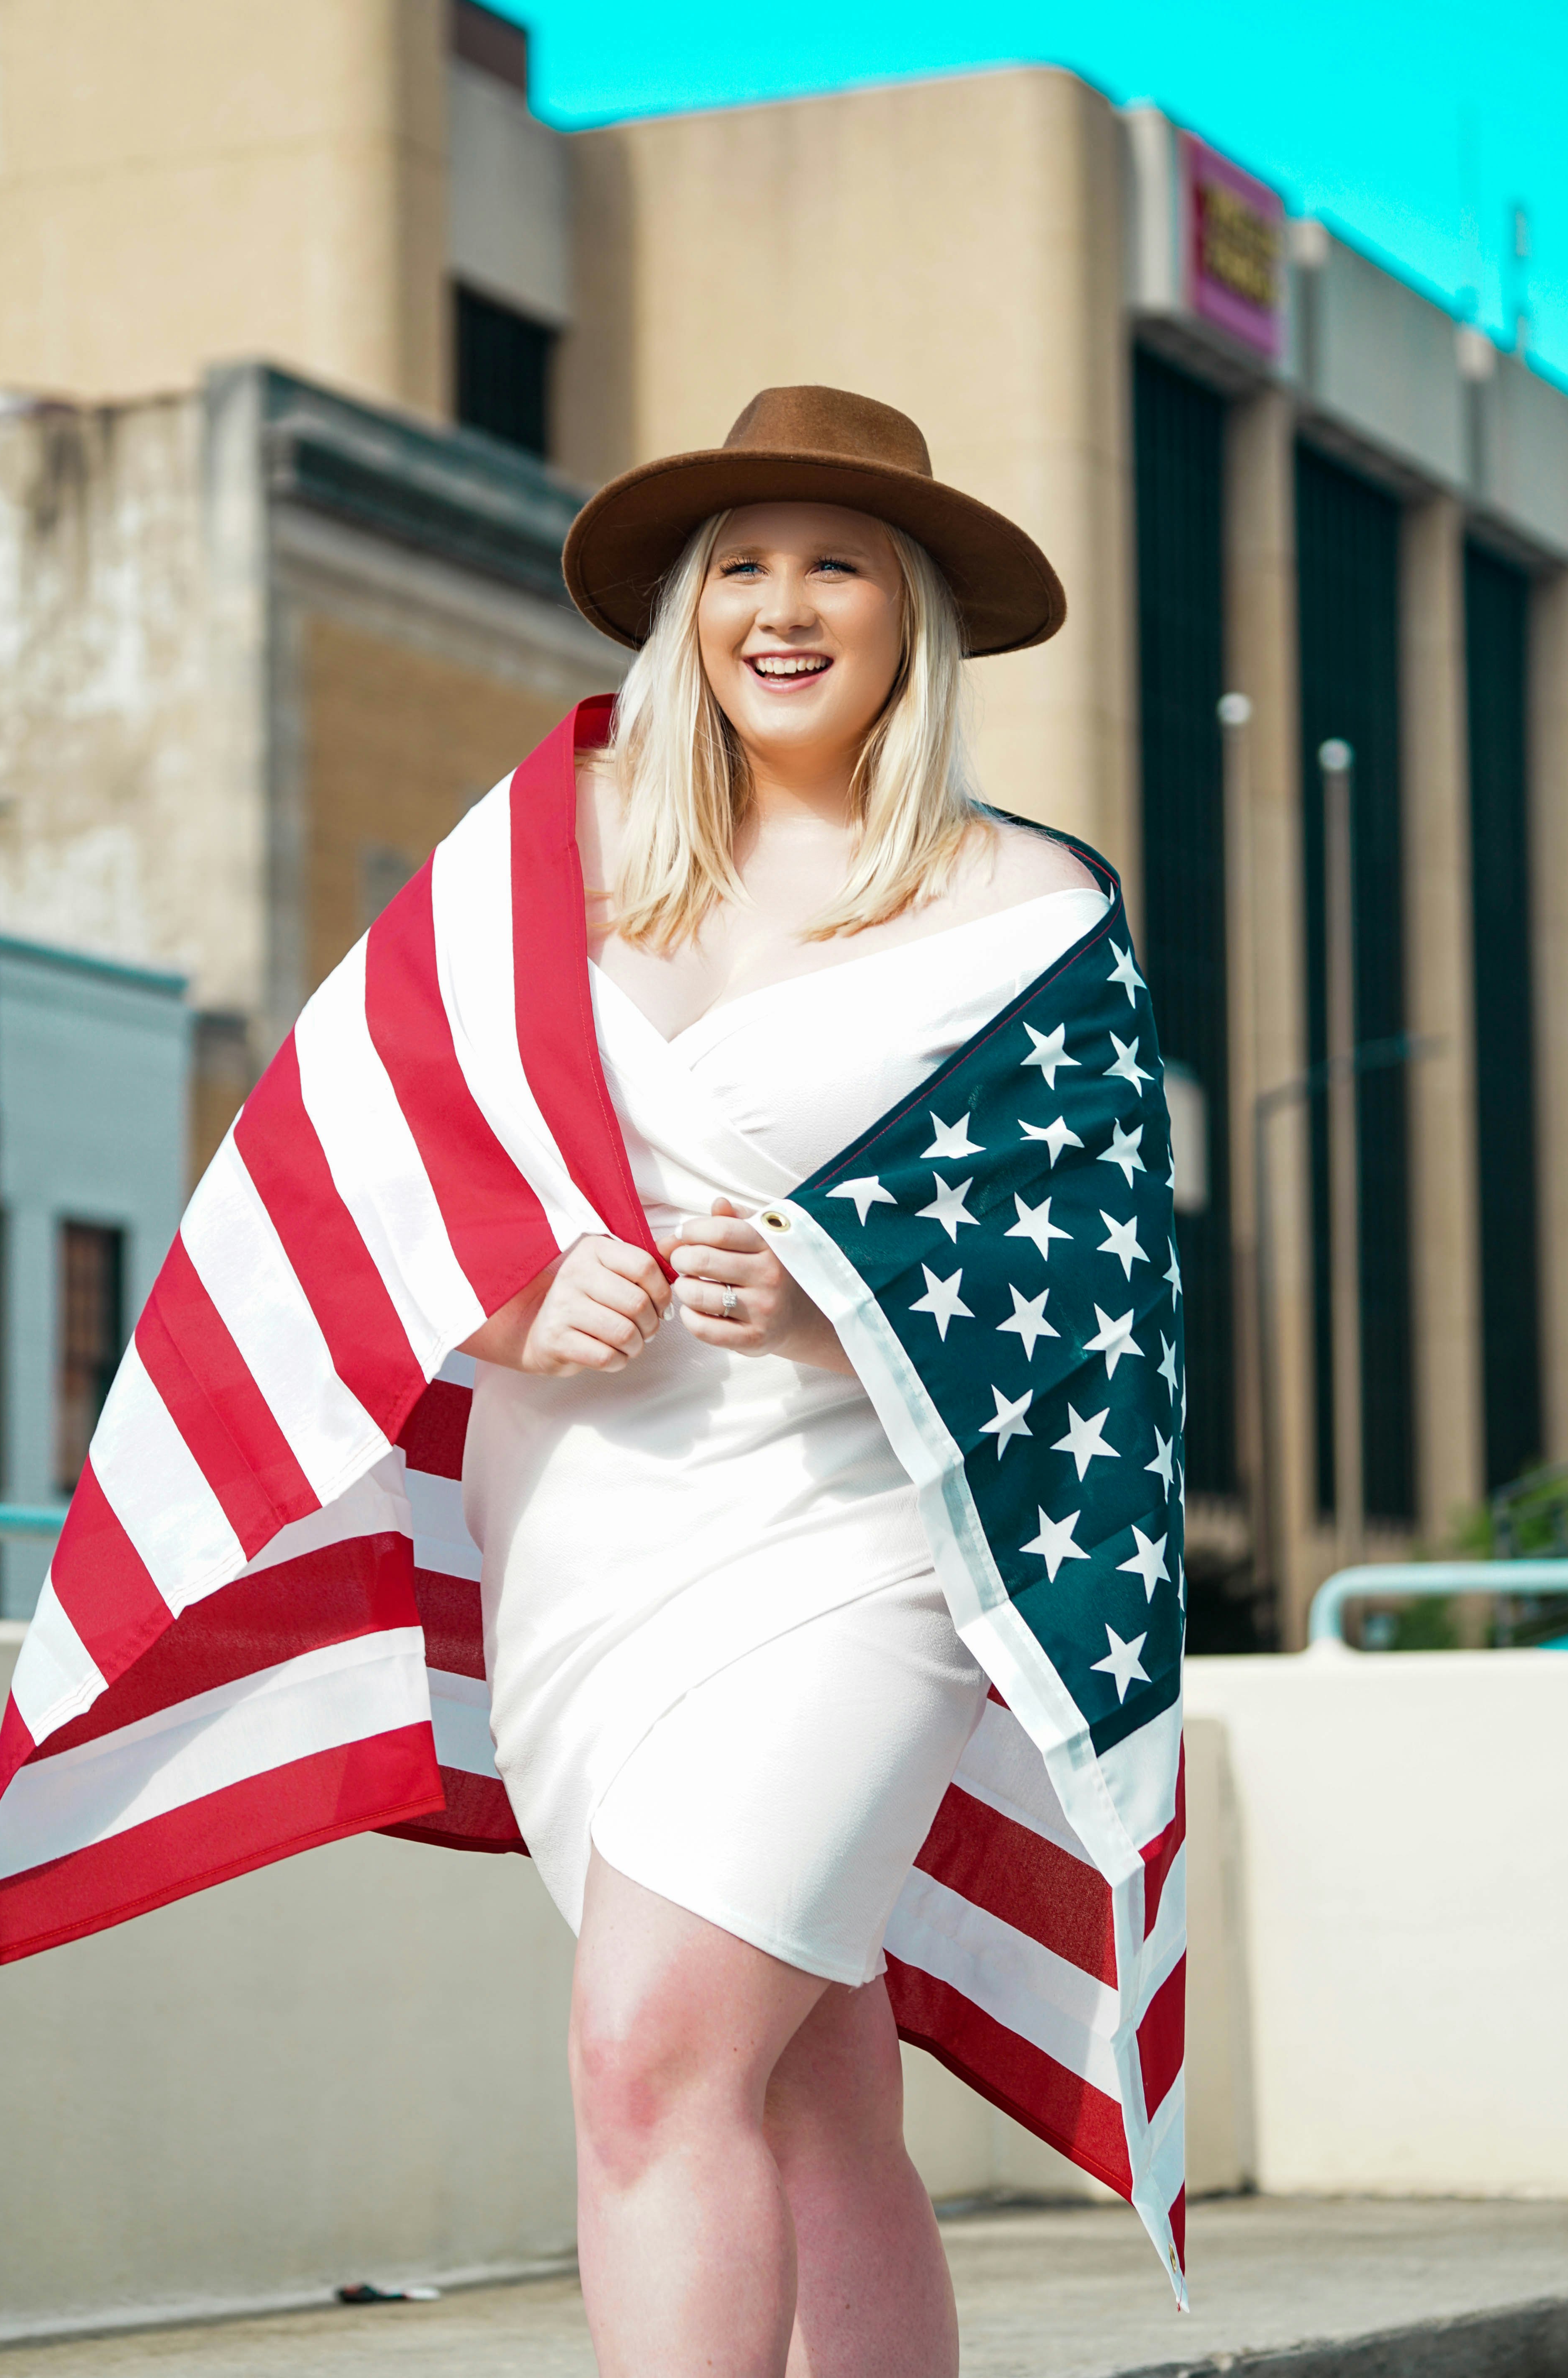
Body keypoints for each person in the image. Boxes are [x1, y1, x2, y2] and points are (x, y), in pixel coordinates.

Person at [457, 386, 1110, 2378]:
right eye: (740, 562)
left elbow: (1100, 1296)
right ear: (688, 609)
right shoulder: (537, 856)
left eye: (836, 560)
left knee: (650, 2051)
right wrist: (503, 1296)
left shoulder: (1033, 905)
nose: (783, 603)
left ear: (913, 612)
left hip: (861, 1542)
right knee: (815, 2082)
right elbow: (343, 1178)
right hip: (586, 1523)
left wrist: (842, 1306)